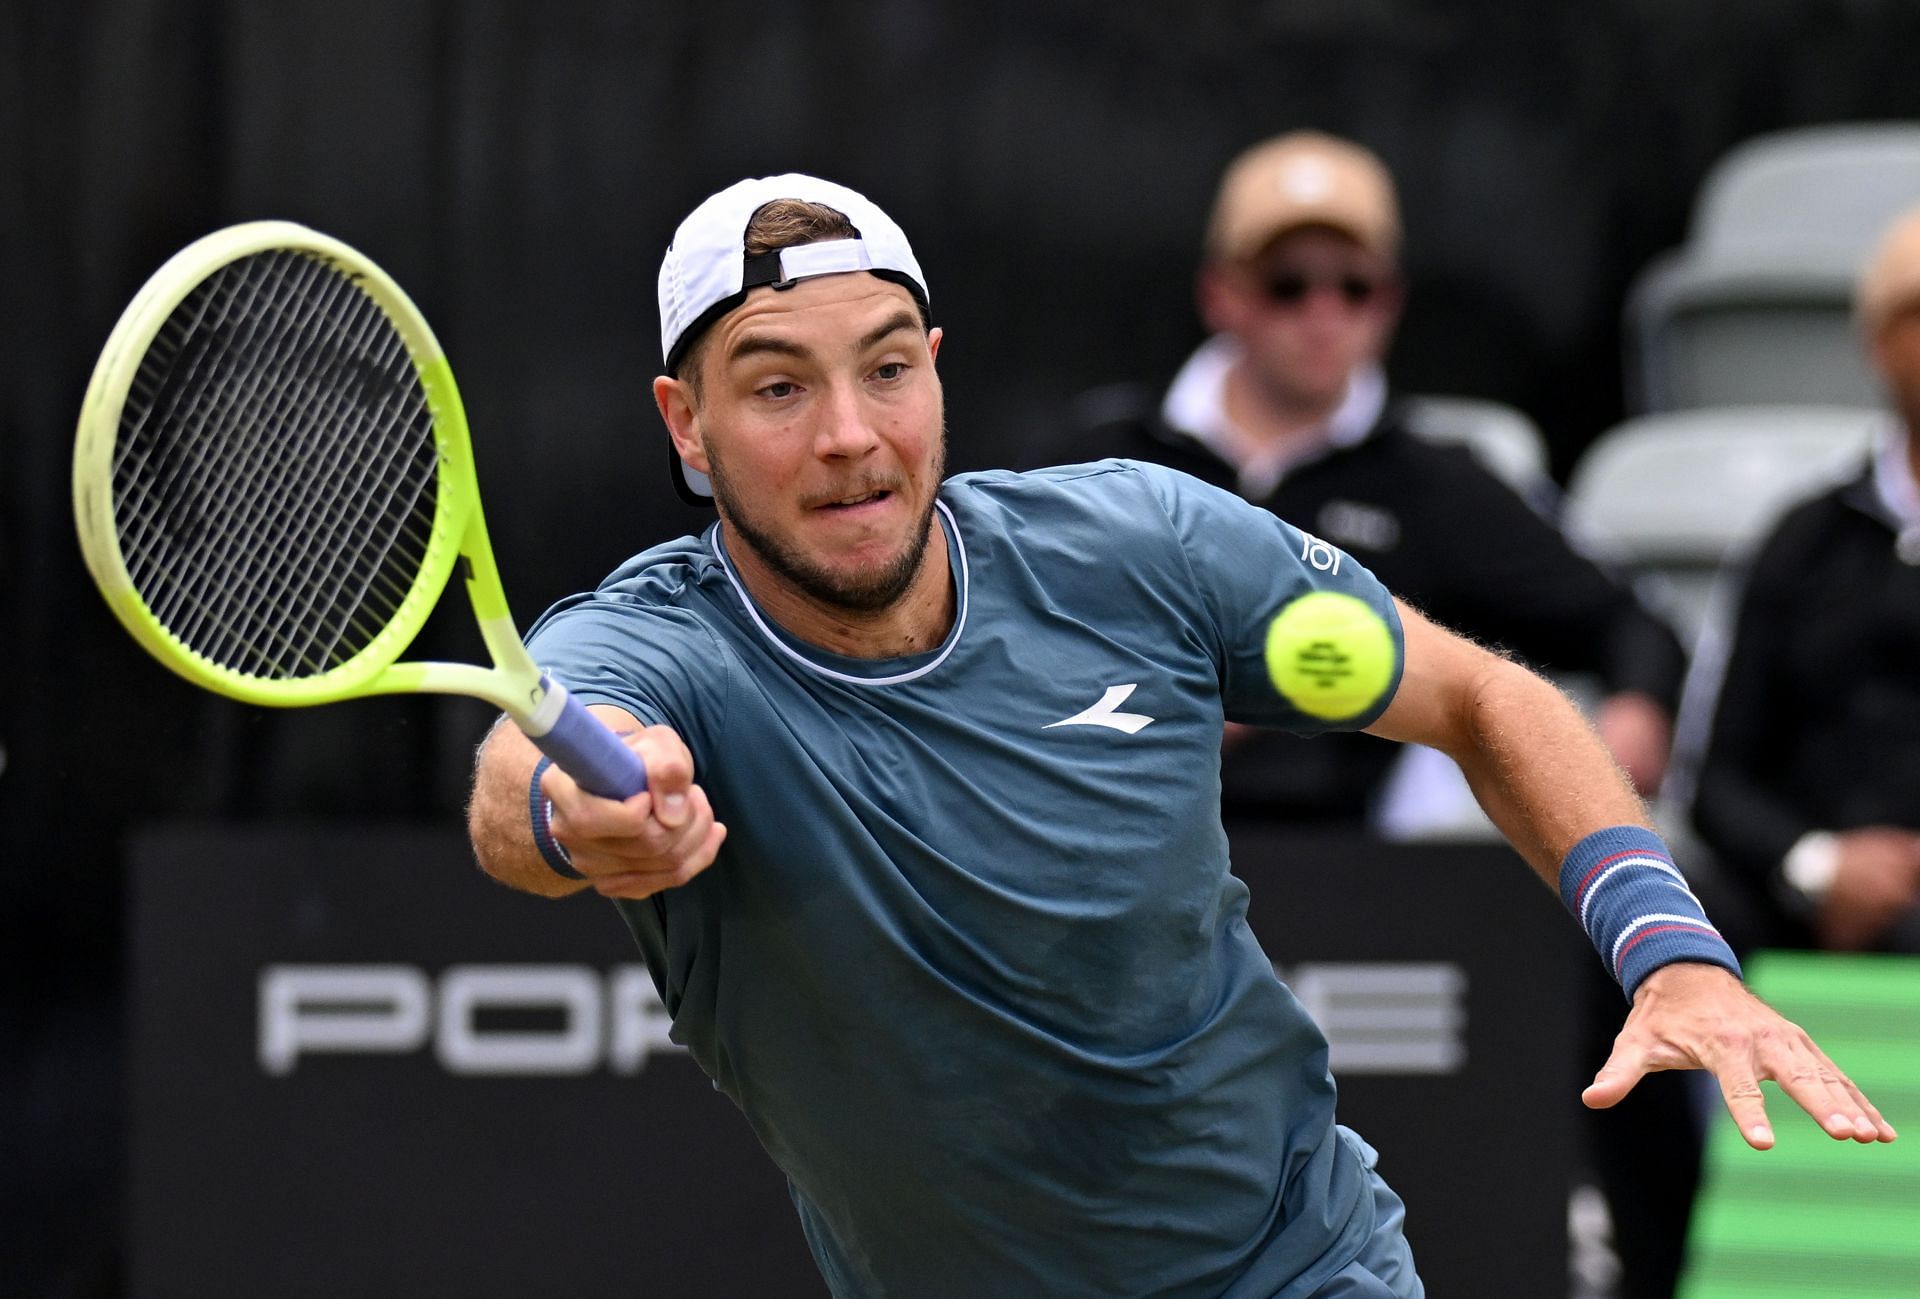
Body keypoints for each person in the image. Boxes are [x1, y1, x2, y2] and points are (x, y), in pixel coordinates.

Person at [466, 173, 1893, 1299]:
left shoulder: (1137, 540)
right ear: (688, 424)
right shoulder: (663, 645)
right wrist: (573, 815)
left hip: (1297, 1265)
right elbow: (526, 770)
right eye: (779, 386)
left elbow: (1485, 696)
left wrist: (1673, 949)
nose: (852, 432)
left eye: (888, 368)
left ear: (937, 370)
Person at [1044, 131, 1686, 824]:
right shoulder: (1103, 456)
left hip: (1350, 868)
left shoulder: (1434, 482)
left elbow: (1632, 622)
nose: (1324, 314)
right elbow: (982, 626)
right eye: (1288, 284)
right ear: (1221, 294)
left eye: (1354, 286)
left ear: (1389, 304)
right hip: (1103, 837)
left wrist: (1635, 713)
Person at [1689, 204, 1920, 957]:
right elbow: (1718, 782)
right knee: (1659, 929)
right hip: (1798, 899)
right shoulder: (1802, 541)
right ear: (1877, 342)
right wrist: (1820, 865)